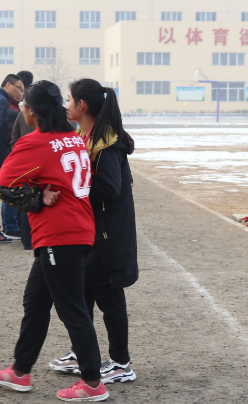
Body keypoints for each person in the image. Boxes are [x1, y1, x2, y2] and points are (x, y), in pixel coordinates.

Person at [0, 80, 109, 401]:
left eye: (24, 107)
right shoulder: (73, 139)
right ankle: (20, 371)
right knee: (35, 302)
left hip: (58, 236)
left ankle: (92, 382)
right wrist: (38, 192)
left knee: (72, 309)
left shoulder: (36, 143)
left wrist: (33, 196)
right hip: (76, 232)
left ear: (33, 112)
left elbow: (4, 182)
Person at [49, 78, 138, 385]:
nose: (66, 106)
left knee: (109, 297)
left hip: (109, 236)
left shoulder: (107, 142)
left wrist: (71, 186)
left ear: (82, 105)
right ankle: (83, 352)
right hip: (91, 231)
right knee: (82, 291)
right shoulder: (86, 135)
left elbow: (109, 188)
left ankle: (121, 362)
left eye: (69, 101)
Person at [10, 71, 35, 250]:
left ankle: (27, 240)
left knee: (27, 200)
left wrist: (17, 156)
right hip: (35, 166)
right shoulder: (51, 116)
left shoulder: (21, 114)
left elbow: (14, 139)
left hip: (24, 163)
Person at [0, 74, 24, 243]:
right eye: (19, 88)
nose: (20, 93)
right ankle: (10, 227)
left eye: (23, 90)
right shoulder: (2, 101)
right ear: (8, 84)